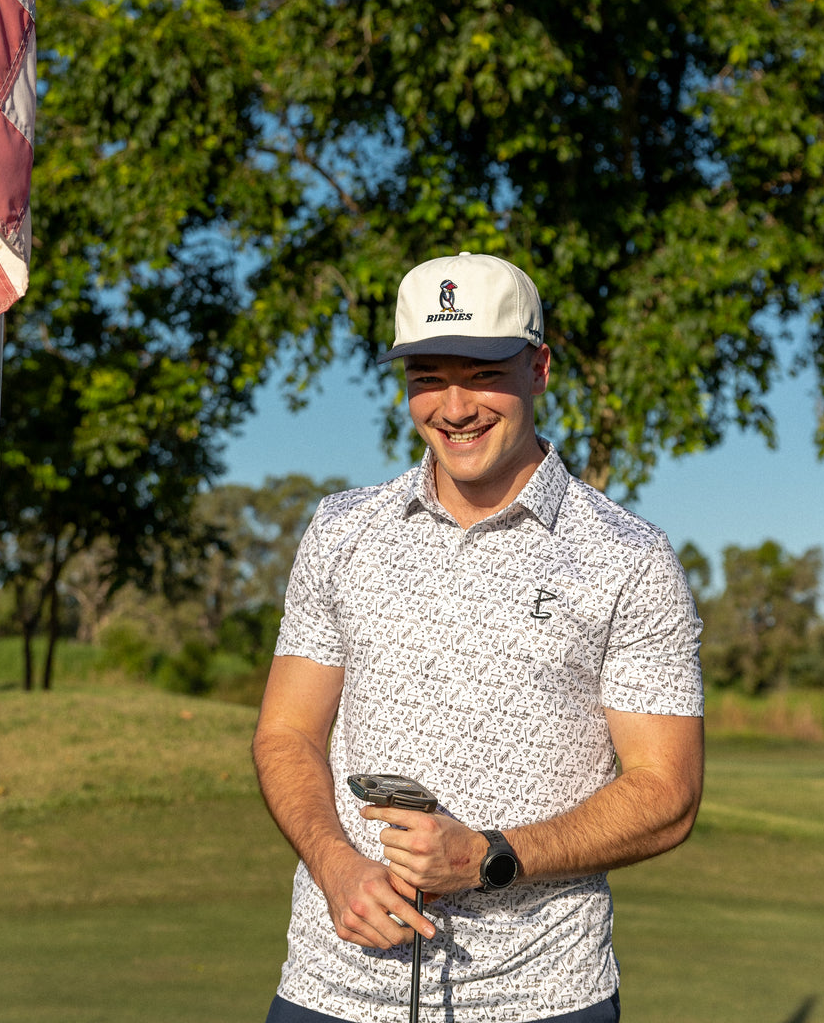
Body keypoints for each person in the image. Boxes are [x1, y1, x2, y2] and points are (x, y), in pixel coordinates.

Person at [253, 252, 704, 1023]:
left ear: (539, 367)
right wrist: (333, 868)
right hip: (332, 989)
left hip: (543, 998)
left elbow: (667, 795)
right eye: (428, 375)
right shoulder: (341, 531)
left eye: (483, 371)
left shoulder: (630, 557)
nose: (454, 406)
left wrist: (490, 856)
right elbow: (287, 733)